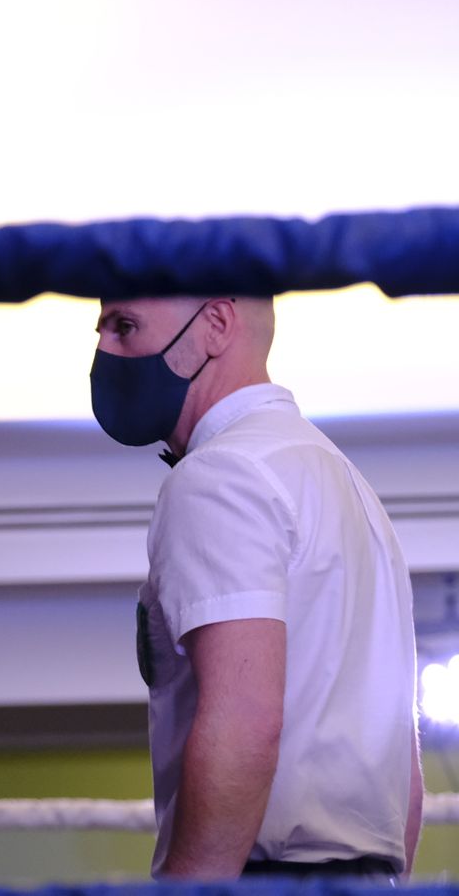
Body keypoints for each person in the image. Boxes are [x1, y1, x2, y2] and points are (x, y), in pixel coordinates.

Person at [91, 294, 421, 881]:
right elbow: (403, 764)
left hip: (264, 874)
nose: (103, 349)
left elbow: (244, 720)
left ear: (215, 325)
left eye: (125, 326)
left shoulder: (220, 474)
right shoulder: (348, 484)